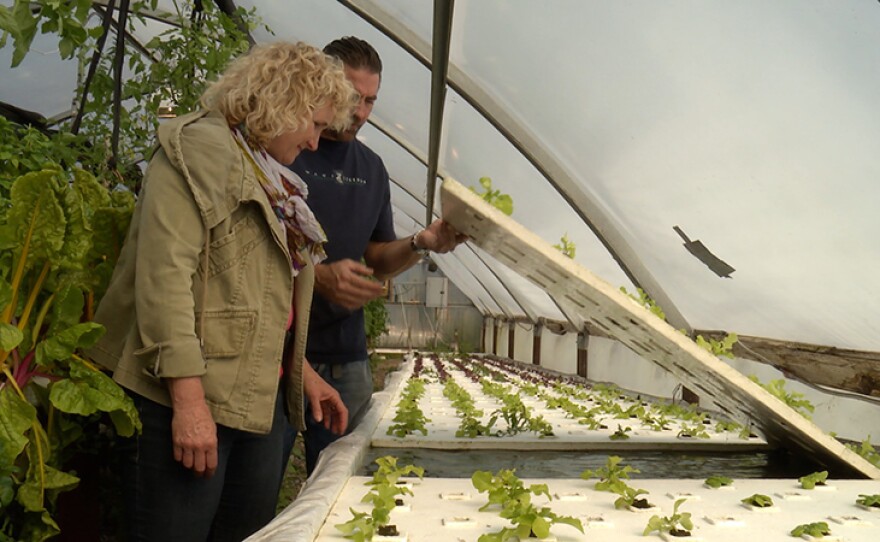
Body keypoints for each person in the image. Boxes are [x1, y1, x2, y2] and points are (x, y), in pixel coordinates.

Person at [88, 42, 356, 542]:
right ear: (286, 103)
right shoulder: (194, 154)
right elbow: (164, 281)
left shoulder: (270, 178)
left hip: (253, 397)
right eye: (316, 125)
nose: (317, 143)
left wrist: (300, 374)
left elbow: (257, 294)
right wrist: (189, 406)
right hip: (190, 396)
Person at [289, 36, 466, 474]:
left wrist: (420, 242)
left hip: (346, 356)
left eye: (371, 100)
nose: (362, 113)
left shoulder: (371, 168)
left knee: (341, 481)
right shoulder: (286, 150)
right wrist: (317, 276)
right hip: (282, 350)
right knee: (255, 487)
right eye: (352, 97)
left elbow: (374, 255)